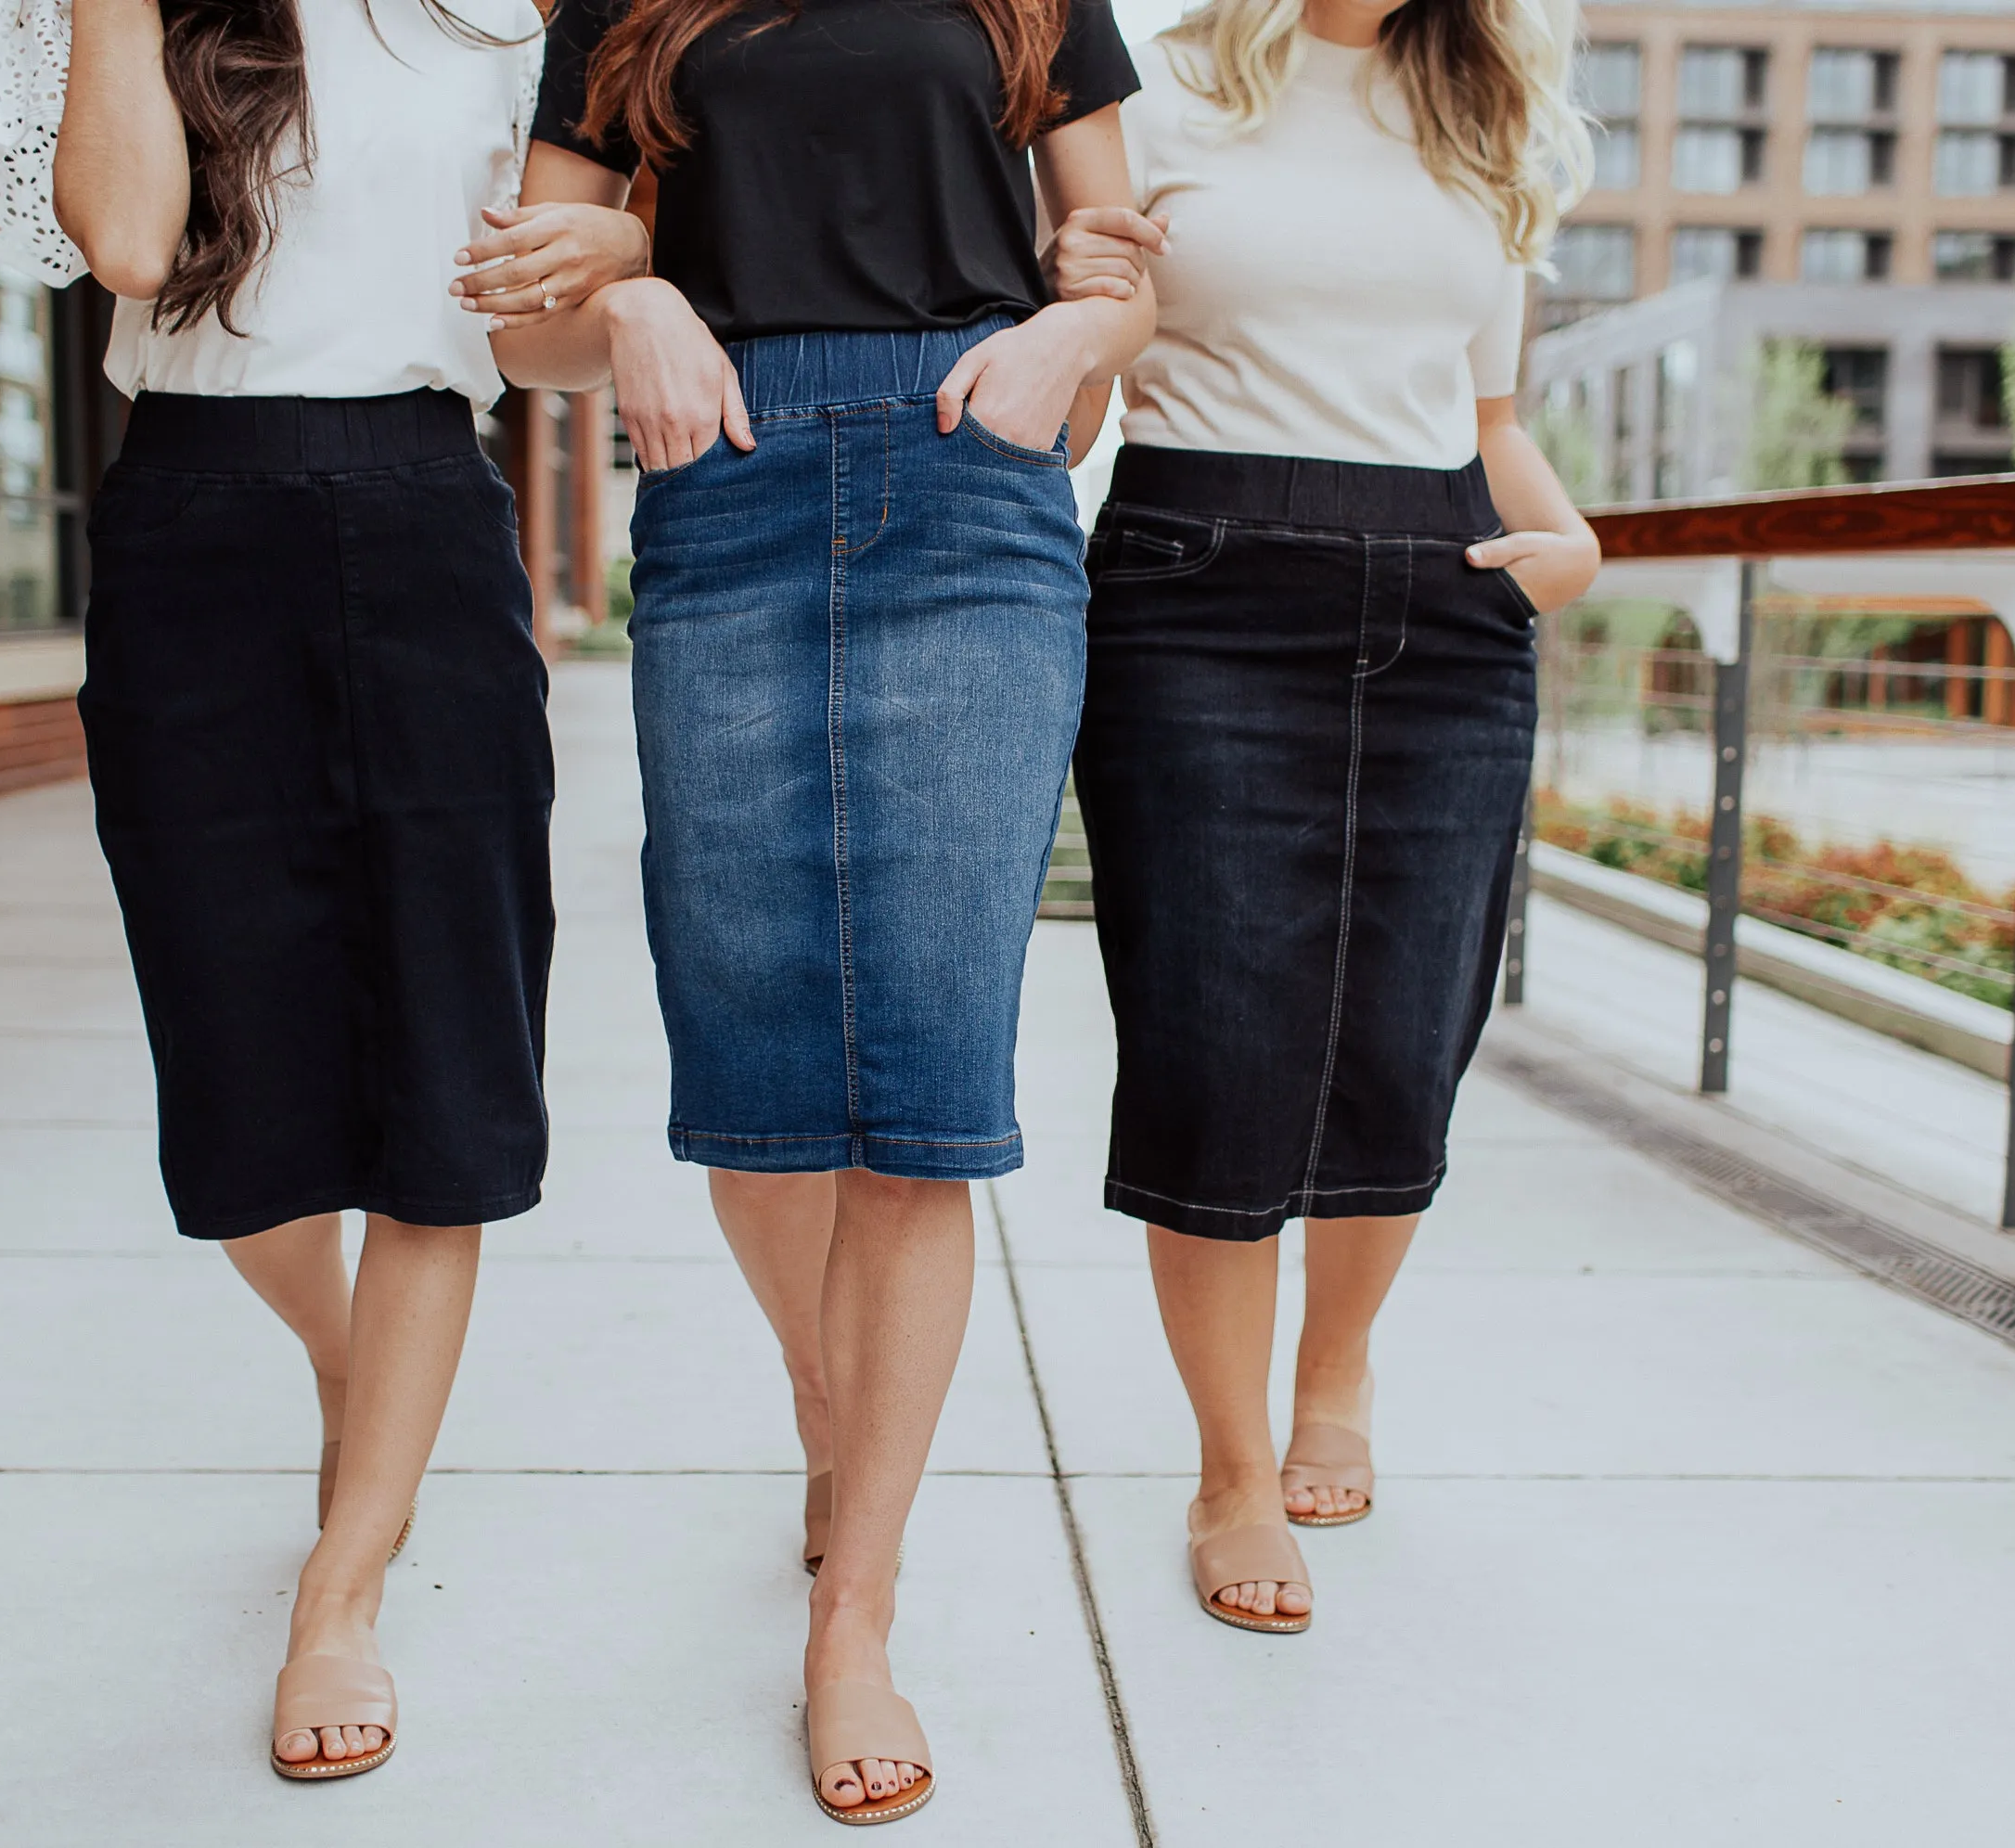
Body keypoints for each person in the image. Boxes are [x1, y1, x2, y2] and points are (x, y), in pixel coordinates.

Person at [0, 0, 648, 1780]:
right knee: (239, 1099)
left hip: (420, 514)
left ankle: (341, 1583)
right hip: (192, 530)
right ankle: (355, 1379)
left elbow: (542, 352)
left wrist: (624, 249)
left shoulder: (517, 25)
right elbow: (130, 242)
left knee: (447, 1070)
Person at [476, 0, 1153, 1819]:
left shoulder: (1032, 1)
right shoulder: (620, 10)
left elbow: (1132, 262)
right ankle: (829, 1395)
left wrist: (1072, 339)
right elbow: (522, 313)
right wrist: (631, 294)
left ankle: (856, 1616)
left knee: (923, 1086)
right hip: (727, 497)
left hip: (977, 500)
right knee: (756, 1064)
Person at [1045, 0, 1600, 1634]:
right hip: (1200, 577)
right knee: (1216, 1041)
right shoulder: (1150, 91)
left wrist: (1565, 548)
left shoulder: (1483, 113)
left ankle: (1335, 1370)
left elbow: (1491, 426)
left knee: (1405, 1027)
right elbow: (1090, 378)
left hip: (1452, 596)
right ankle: (1228, 1471)